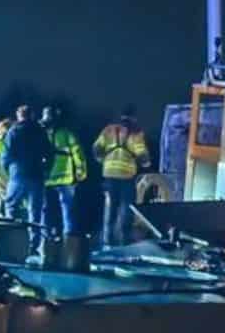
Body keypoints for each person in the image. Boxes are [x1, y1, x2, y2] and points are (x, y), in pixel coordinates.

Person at [92, 107, 151, 246]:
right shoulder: (136, 133)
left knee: (110, 209)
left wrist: (103, 161)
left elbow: (96, 148)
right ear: (133, 117)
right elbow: (142, 155)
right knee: (126, 208)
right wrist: (146, 163)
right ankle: (124, 241)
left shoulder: (109, 130)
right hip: (126, 177)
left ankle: (107, 242)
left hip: (109, 176)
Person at [41, 105, 88, 240]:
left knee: (45, 209)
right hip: (65, 178)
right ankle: (69, 237)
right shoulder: (67, 134)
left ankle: (46, 236)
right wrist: (81, 172)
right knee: (67, 209)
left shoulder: (40, 134)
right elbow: (78, 153)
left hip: (46, 178)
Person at [0, 105, 51, 224]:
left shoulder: (13, 131)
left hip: (17, 174)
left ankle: (12, 238)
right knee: (35, 211)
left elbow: (6, 155)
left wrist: (9, 170)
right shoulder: (40, 131)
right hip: (36, 175)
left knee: (11, 207)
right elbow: (49, 152)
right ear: (31, 115)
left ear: (19, 115)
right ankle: (35, 242)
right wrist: (46, 169)